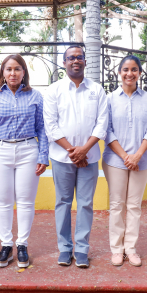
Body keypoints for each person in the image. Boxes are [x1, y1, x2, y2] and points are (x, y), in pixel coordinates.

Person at [43, 45, 109, 268]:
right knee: (62, 202)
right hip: (62, 158)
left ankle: (81, 249)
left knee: (86, 203)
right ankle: (64, 248)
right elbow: (50, 126)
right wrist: (74, 151)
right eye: (71, 58)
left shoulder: (97, 90)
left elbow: (102, 124)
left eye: (79, 57)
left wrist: (85, 150)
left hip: (89, 158)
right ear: (64, 63)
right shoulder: (54, 90)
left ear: (85, 61)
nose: (75, 61)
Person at [0, 54, 49, 268]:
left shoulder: (36, 96)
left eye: (17, 69)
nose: (13, 73)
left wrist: (43, 156)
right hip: (0, 150)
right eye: (9, 69)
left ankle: (22, 245)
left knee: (26, 201)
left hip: (28, 150)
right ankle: (6, 245)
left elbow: (42, 128)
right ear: (3, 72)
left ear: (23, 73)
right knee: (2, 202)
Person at [103, 56, 147, 267]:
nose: (129, 73)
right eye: (125, 69)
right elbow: (106, 130)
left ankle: (130, 248)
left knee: (134, 205)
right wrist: (126, 156)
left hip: (142, 160)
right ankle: (116, 249)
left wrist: (137, 155)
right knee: (117, 205)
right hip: (115, 160)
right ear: (119, 72)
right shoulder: (109, 99)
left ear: (140, 73)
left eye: (134, 69)